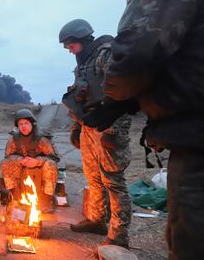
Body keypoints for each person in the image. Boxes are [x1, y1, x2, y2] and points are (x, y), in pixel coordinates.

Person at [82, 0, 204, 258]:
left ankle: (117, 236)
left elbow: (139, 48)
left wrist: (114, 99)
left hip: (201, 136)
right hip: (199, 127)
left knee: (193, 239)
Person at [59, 19, 132, 247]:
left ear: (83, 39)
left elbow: (121, 93)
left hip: (109, 124)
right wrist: (76, 127)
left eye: (71, 46)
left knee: (113, 180)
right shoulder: (82, 65)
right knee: (93, 176)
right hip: (89, 125)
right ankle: (97, 220)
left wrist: (113, 129)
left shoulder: (105, 55)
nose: (70, 51)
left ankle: (119, 236)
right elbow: (79, 98)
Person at [0, 109, 60, 213]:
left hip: (40, 166)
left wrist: (37, 161)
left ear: (32, 123)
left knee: (51, 165)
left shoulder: (42, 138)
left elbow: (54, 158)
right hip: (22, 164)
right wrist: (20, 160)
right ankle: (15, 197)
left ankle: (46, 201)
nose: (23, 126)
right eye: (20, 124)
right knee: (5, 164)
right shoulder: (14, 139)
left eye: (26, 123)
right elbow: (8, 157)